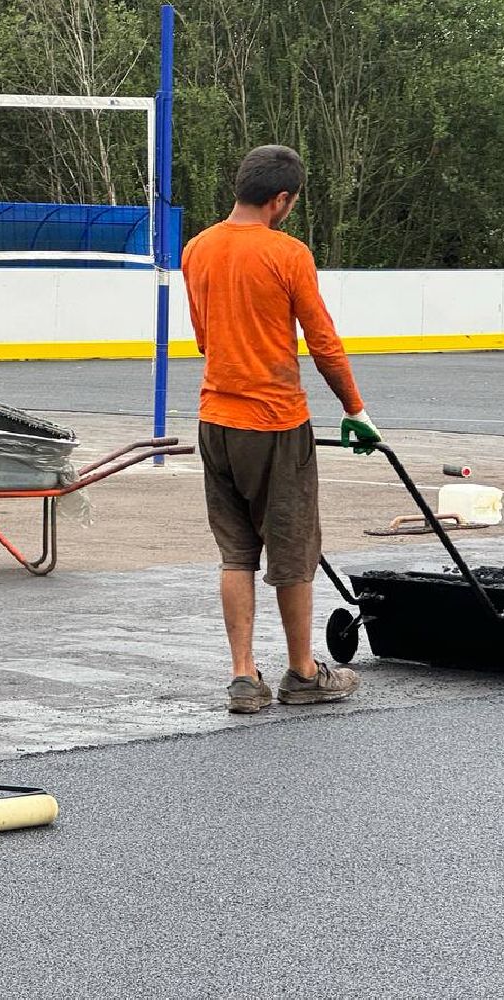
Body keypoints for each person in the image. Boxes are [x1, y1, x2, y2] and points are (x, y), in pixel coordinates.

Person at [181, 144, 381, 715]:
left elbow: (203, 339)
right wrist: (355, 410)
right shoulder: (287, 253)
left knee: (236, 553)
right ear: (282, 199)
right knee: (292, 552)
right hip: (274, 422)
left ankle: (244, 677)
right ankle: (302, 671)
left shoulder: (198, 249)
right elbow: (323, 342)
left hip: (215, 421)